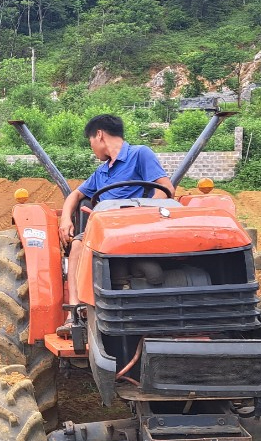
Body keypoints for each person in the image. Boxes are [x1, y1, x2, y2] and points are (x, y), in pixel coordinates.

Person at [58, 114, 175, 305]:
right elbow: (75, 195)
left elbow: (166, 189)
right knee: (78, 245)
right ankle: (75, 311)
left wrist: (141, 213)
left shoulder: (139, 154)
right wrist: (65, 219)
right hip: (103, 231)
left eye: (90, 142)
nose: (92, 148)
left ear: (99, 135)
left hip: (136, 227)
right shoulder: (101, 172)